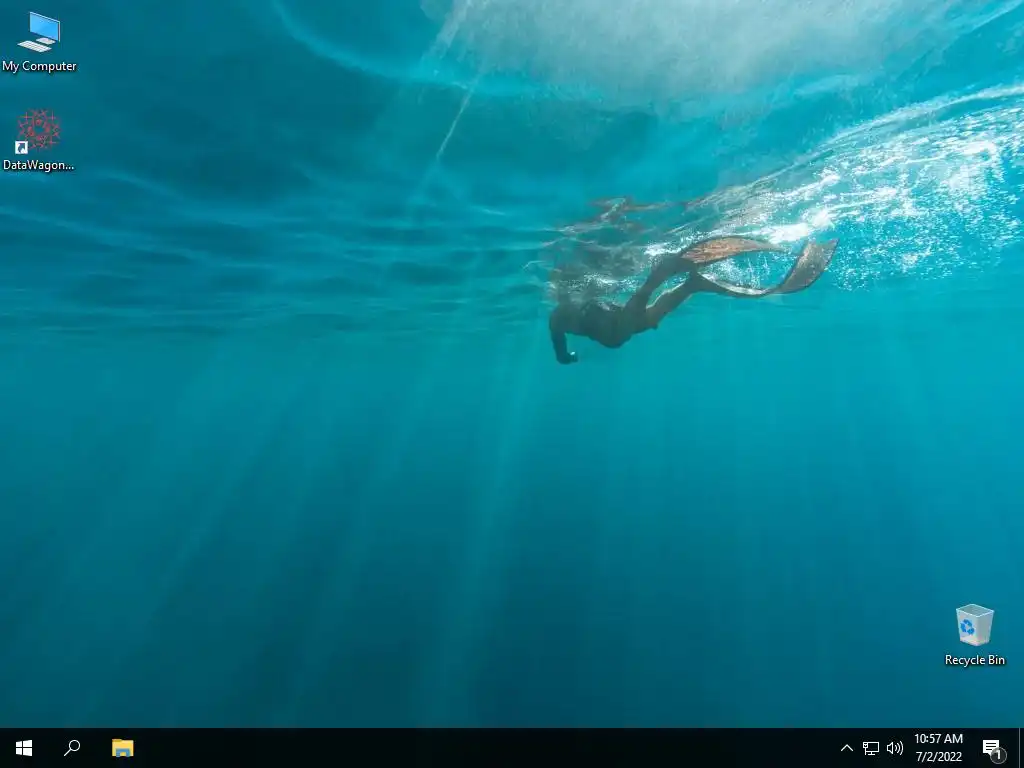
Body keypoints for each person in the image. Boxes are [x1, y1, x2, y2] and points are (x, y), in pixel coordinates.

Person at [548, 236, 838, 364]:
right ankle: (691, 285)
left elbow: (562, 352)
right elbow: (561, 352)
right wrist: (566, 357)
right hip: (611, 319)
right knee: (646, 319)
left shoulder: (560, 318)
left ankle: (659, 276)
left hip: (609, 322)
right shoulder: (560, 317)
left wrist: (569, 357)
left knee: (626, 328)